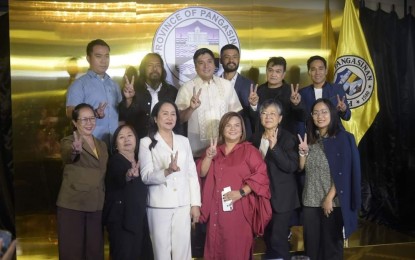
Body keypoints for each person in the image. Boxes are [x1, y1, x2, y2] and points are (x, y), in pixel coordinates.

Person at [197, 111, 271, 260]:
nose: (233, 128)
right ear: (222, 129)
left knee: (235, 251)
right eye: (228, 125)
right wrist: (209, 157)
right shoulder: (214, 150)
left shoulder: (250, 151)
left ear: (242, 129)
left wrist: (242, 192)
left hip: (239, 209)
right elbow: (201, 173)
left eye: (237, 125)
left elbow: (261, 175)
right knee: (215, 249)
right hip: (216, 209)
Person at [297, 98, 361, 260]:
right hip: (310, 201)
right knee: (312, 247)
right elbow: (301, 169)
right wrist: (303, 153)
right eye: (316, 113)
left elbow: (344, 172)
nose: (320, 116)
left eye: (324, 112)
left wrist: (329, 198)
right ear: (311, 116)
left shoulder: (343, 138)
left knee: (331, 248)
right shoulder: (310, 138)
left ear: (332, 114)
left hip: (332, 202)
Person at [139, 100, 201, 260]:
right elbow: (146, 177)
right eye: (164, 113)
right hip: (159, 206)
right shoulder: (146, 143)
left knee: (183, 252)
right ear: (155, 118)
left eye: (173, 114)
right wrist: (166, 171)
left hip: (182, 204)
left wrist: (195, 204)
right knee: (161, 253)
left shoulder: (183, 141)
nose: (169, 117)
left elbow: (192, 174)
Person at [56, 103, 108, 260]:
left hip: (97, 205)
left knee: (94, 252)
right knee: (72, 252)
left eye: (92, 118)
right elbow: (67, 154)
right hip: (73, 205)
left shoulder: (102, 145)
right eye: (84, 119)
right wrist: (74, 150)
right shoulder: (68, 141)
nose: (89, 123)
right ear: (74, 123)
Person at [251, 99, 300, 260]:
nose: (268, 117)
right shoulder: (255, 138)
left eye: (273, 114)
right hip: (262, 198)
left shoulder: (288, 138)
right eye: (264, 113)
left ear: (280, 118)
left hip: (282, 199)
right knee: (267, 237)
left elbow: (291, 166)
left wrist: (275, 148)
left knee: (278, 239)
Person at [175, 48, 242, 157]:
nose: (206, 66)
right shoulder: (186, 88)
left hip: (225, 149)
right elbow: (179, 119)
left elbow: (236, 115)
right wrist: (191, 108)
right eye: (201, 63)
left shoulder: (226, 85)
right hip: (197, 151)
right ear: (196, 67)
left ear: (214, 64)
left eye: (209, 62)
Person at [103, 124, 152, 260]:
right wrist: (129, 174)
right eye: (121, 137)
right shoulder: (115, 160)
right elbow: (120, 176)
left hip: (138, 220)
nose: (127, 140)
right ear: (116, 145)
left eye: (130, 135)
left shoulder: (141, 161)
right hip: (122, 222)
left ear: (136, 140)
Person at [66, 39, 124, 147]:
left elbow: (121, 115)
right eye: (98, 56)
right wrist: (93, 113)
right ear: (88, 58)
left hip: (115, 146)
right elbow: (70, 112)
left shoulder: (115, 85)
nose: (104, 61)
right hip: (90, 146)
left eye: (107, 56)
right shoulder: (79, 85)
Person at [119, 53, 178, 140]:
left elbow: (178, 120)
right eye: (150, 65)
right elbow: (125, 117)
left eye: (158, 65)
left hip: (166, 142)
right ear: (143, 69)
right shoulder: (133, 90)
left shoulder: (172, 92)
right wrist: (129, 99)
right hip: (140, 141)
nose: (154, 69)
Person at [250, 56, 306, 136]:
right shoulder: (258, 91)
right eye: (270, 70)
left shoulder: (292, 92)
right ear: (266, 71)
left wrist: (296, 104)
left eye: (278, 71)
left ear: (283, 74)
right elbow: (252, 120)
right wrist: (253, 105)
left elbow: (302, 118)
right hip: (262, 138)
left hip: (286, 139)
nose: (273, 74)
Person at [298, 55, 351, 136]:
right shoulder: (302, 93)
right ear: (309, 72)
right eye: (313, 69)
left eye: (320, 69)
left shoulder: (337, 89)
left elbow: (347, 117)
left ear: (326, 71)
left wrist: (343, 110)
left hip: (335, 135)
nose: (317, 72)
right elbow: (300, 120)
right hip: (312, 137)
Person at [220, 44, 255, 139]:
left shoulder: (249, 84)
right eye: (227, 57)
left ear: (239, 59)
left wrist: (254, 105)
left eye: (235, 57)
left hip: (242, 135)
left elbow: (255, 116)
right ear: (220, 60)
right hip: (219, 134)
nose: (231, 60)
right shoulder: (213, 83)